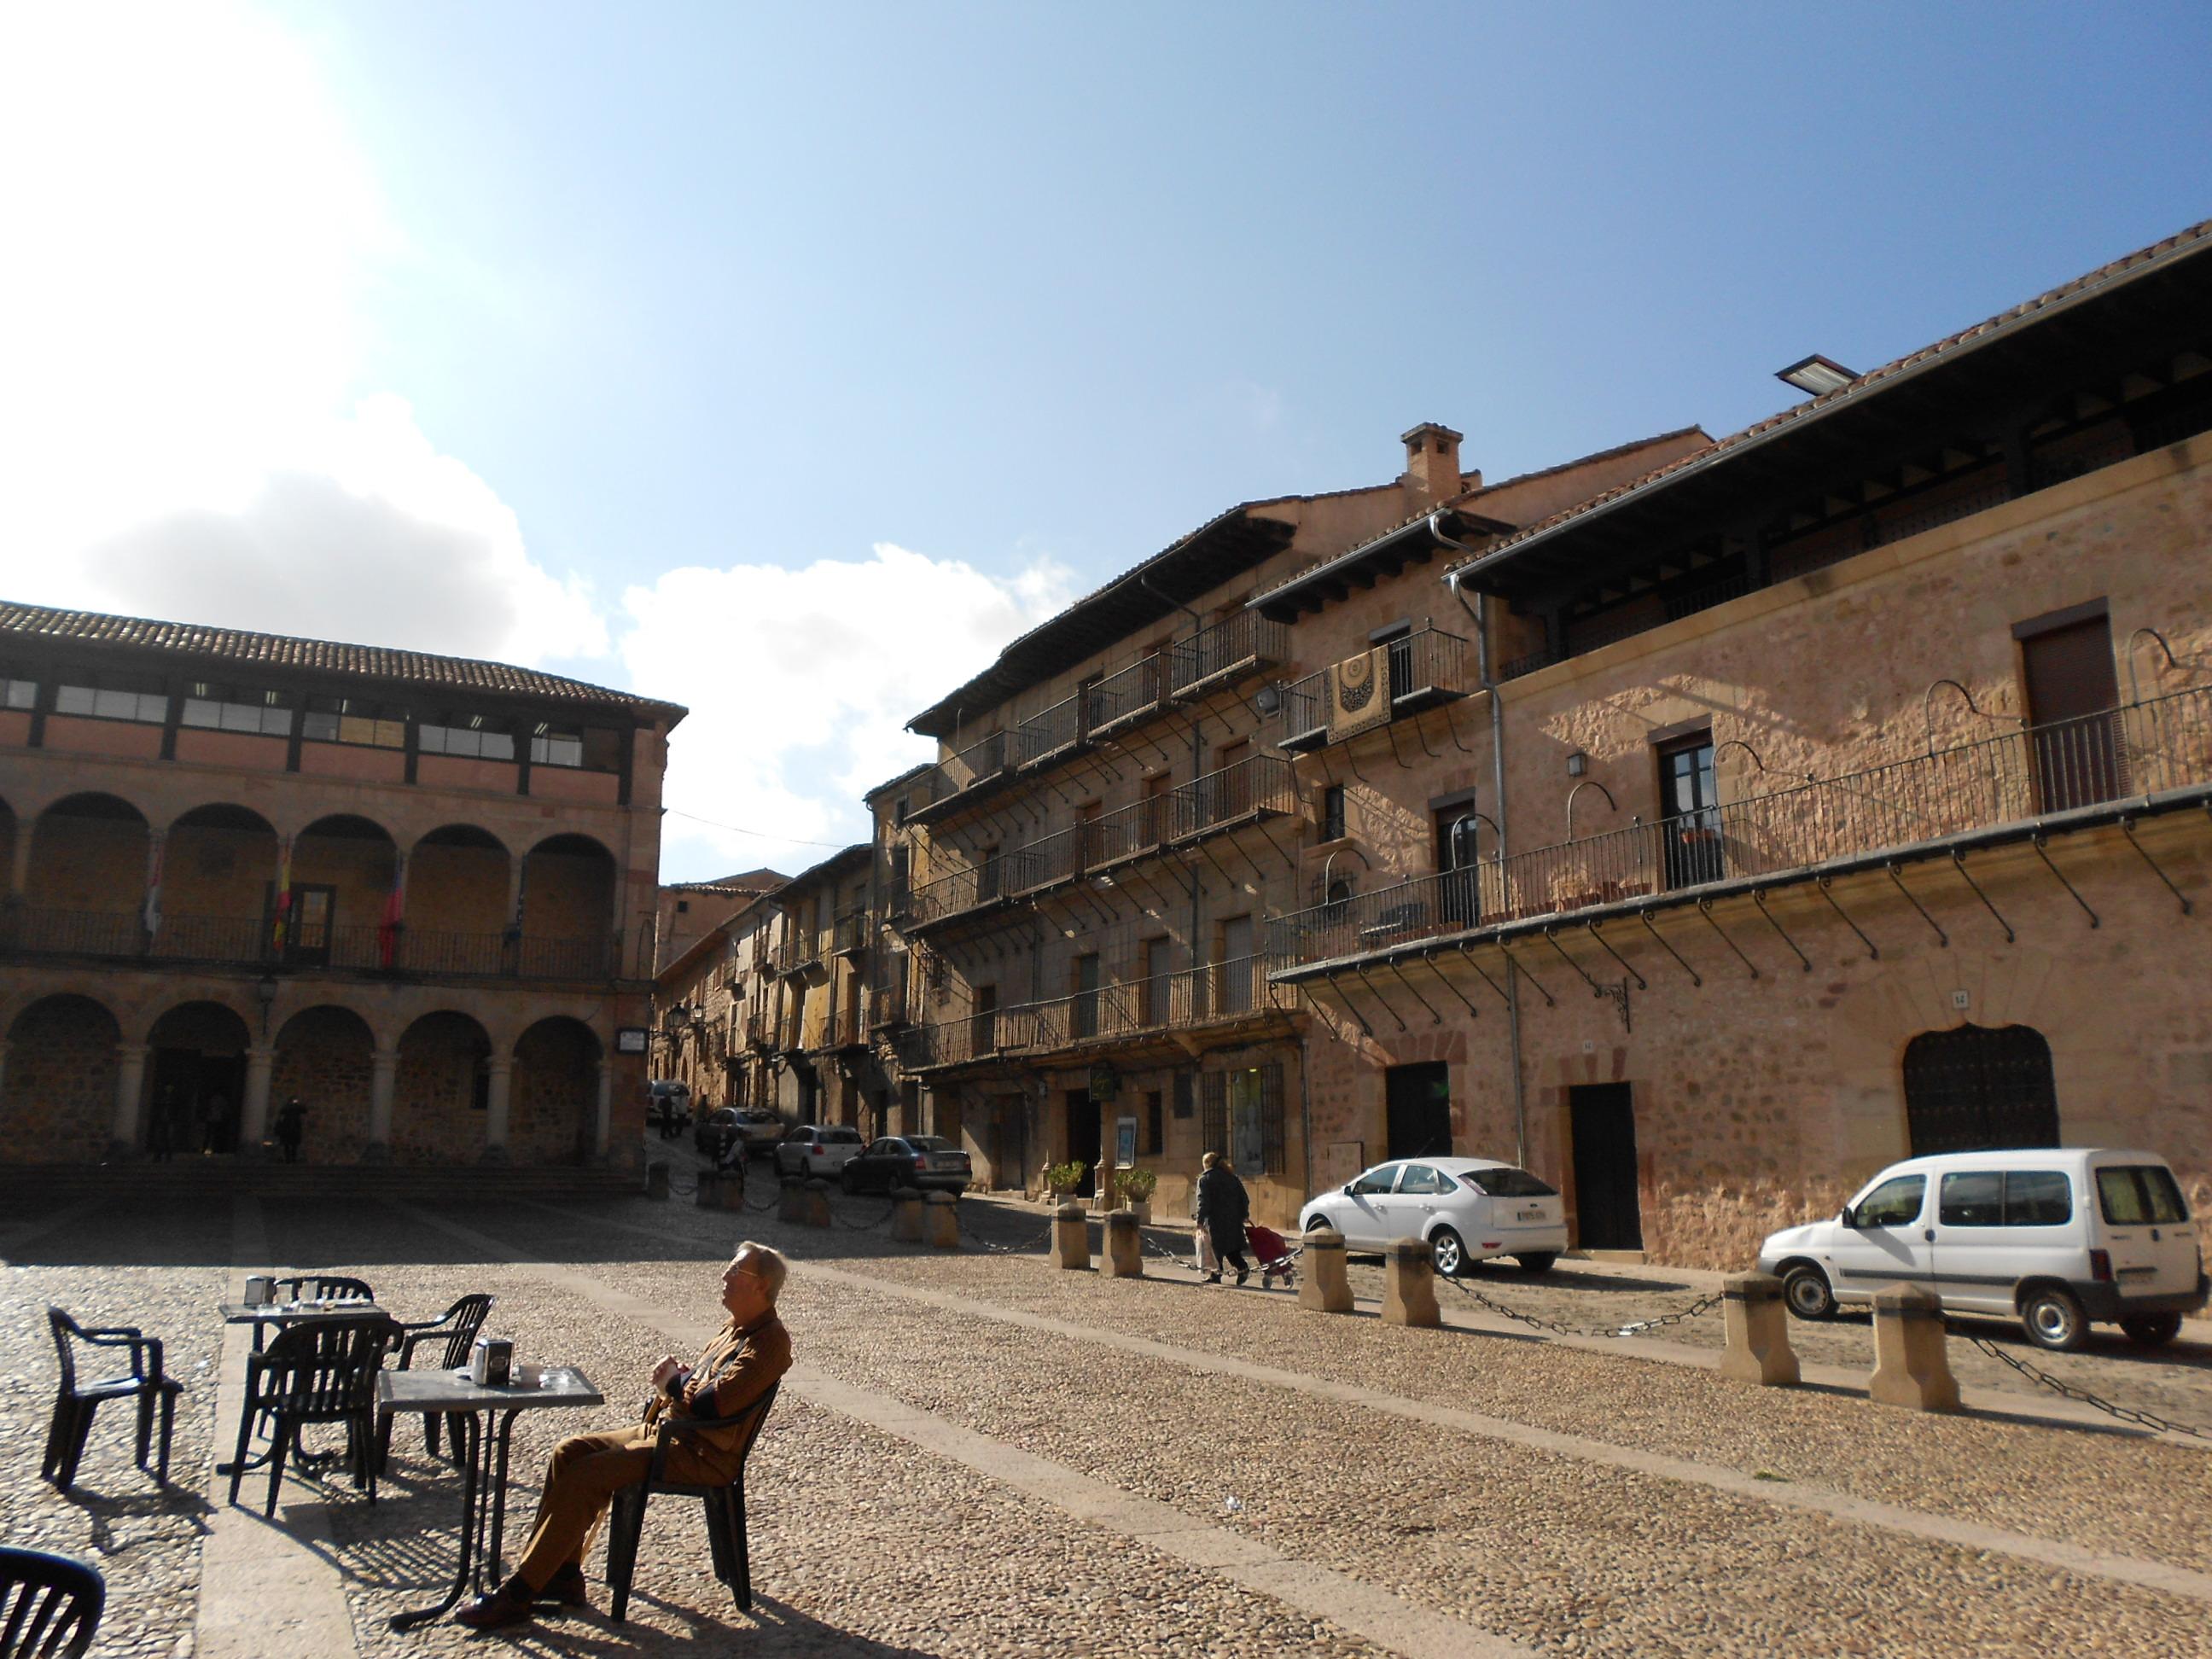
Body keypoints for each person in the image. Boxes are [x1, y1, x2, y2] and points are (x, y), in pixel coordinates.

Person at [455, 1240, 794, 1631]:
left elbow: (715, 1404)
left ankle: (518, 1593)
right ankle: (563, 1575)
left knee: (589, 1474)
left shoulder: (769, 1340)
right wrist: (682, 1379)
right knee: (571, 1451)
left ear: (761, 1286)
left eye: (736, 1271)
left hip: (700, 1452)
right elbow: (701, 1387)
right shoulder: (735, 1327)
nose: (725, 1276)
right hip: (670, 1432)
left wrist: (674, 1382)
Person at [1194, 1150, 1251, 1286]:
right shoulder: (1232, 1177)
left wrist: (1200, 1221)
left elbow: (1203, 1202)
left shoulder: (1205, 1179)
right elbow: (1244, 1198)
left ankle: (1215, 1275)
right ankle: (1243, 1269)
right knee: (1232, 1250)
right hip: (1233, 1220)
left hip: (1215, 1220)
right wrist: (1244, 1215)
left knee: (1216, 1251)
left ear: (1207, 1164)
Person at [275, 1098, 306, 1164]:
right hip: (287, 1129)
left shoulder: (297, 1108)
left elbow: (304, 1110)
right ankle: (288, 1160)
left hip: (294, 1130)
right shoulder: (287, 1108)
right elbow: (282, 1112)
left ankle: (292, 1160)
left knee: (294, 1146)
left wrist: (298, 1105)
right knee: (287, 1145)